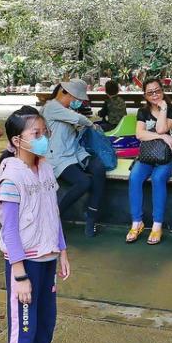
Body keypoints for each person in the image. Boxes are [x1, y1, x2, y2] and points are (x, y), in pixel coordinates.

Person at [0, 106, 73, 343]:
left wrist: (62, 249)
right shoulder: (12, 175)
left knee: (45, 320)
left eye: (44, 133)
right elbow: (9, 229)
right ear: (17, 140)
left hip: (48, 256)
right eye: (35, 134)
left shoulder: (46, 168)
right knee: (23, 326)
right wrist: (19, 274)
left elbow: (53, 212)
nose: (42, 139)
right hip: (24, 263)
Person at [42, 79, 106, 237]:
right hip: (59, 157)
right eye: (76, 98)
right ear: (65, 93)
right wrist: (92, 125)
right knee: (84, 181)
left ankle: (92, 215)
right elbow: (80, 119)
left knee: (99, 168)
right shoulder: (51, 107)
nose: (77, 102)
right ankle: (55, 216)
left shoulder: (66, 109)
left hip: (76, 153)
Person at [127, 78, 172, 245]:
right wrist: (162, 137)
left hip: (171, 156)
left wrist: (163, 107)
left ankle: (157, 225)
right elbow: (139, 134)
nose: (154, 95)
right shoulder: (142, 112)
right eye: (150, 92)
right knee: (135, 177)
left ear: (162, 91)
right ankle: (137, 222)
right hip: (147, 156)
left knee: (158, 178)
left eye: (157, 91)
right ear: (145, 95)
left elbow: (161, 127)